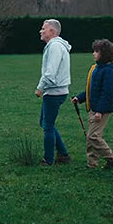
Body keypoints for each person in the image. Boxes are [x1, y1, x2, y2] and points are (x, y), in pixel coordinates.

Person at [72, 39, 113, 169]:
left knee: (93, 136)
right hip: (94, 107)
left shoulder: (109, 71)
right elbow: (91, 89)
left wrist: (100, 111)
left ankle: (112, 159)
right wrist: (80, 98)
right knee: (91, 137)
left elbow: (107, 93)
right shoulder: (97, 68)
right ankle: (92, 164)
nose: (93, 54)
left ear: (104, 54)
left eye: (96, 51)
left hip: (101, 109)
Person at [35, 19, 72, 166]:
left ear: (52, 31)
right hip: (56, 91)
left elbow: (51, 73)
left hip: (54, 92)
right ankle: (63, 154)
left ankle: (49, 160)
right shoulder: (55, 45)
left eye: (44, 28)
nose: (41, 31)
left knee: (48, 125)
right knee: (45, 123)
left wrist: (40, 87)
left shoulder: (55, 46)